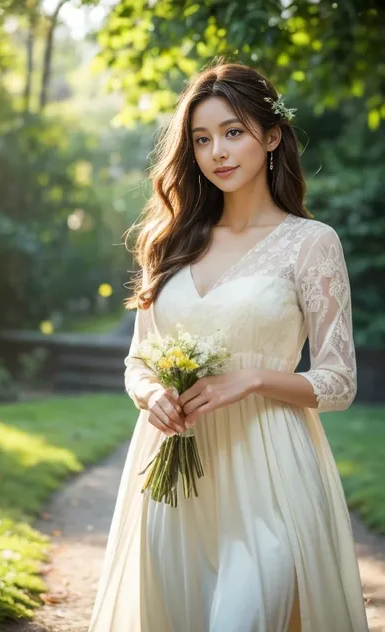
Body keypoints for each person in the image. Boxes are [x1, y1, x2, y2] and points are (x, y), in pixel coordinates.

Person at [89, 61, 369, 632]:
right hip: (171, 476)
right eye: (201, 138)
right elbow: (138, 359)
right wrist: (150, 395)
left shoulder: (311, 245)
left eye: (233, 131)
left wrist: (253, 380)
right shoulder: (169, 242)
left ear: (271, 137)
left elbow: (339, 383)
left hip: (269, 472)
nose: (217, 150)